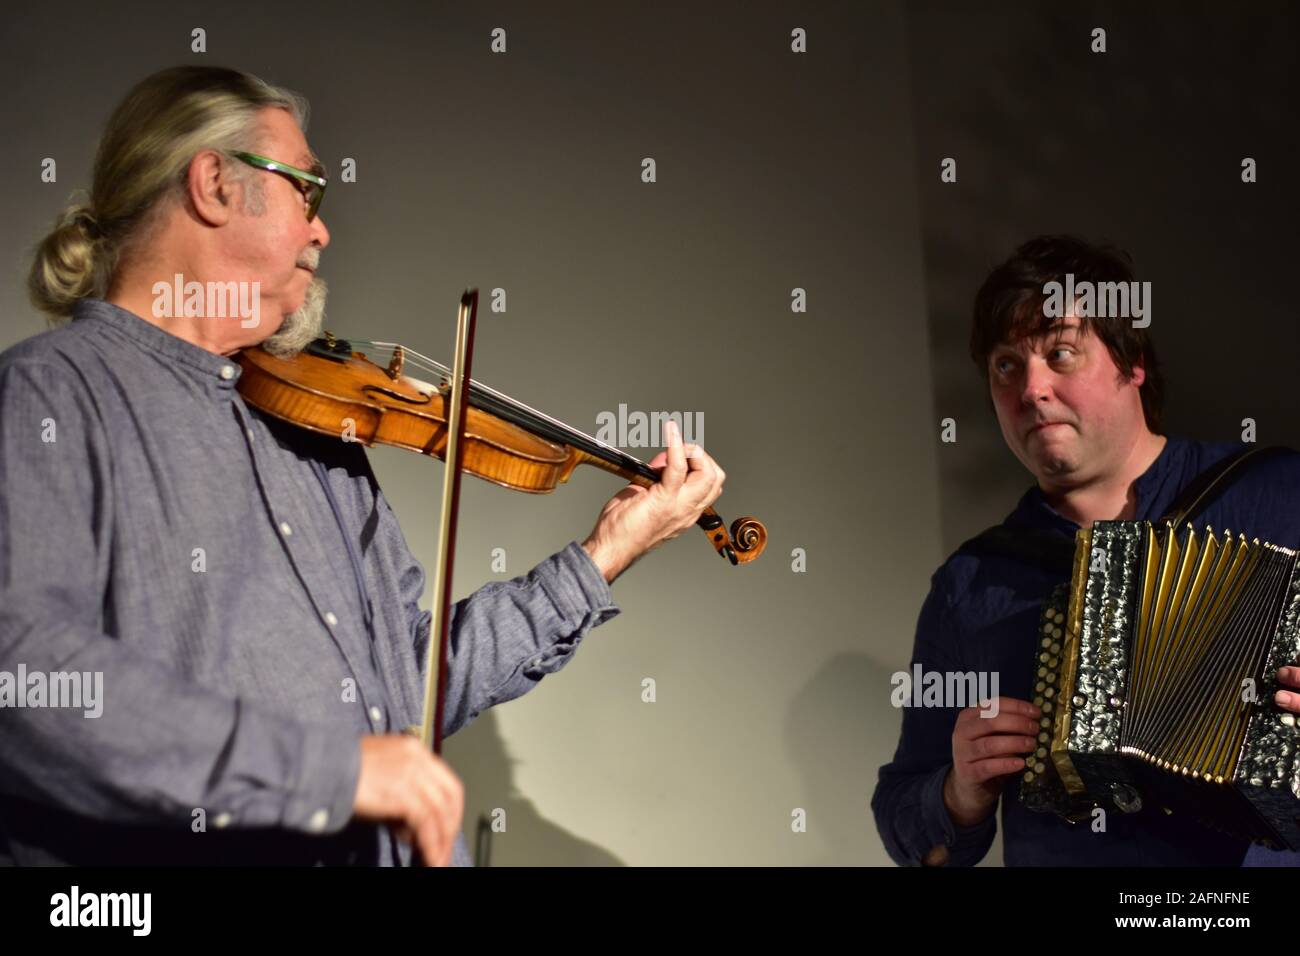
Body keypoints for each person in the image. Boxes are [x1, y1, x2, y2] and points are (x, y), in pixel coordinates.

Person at [0, 65, 726, 867]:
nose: (323, 230)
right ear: (213, 185)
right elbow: (26, 679)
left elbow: (406, 684)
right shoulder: (52, 394)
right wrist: (333, 772)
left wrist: (607, 553)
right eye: (306, 192)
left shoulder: (314, 426)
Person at [872, 235, 1300, 866]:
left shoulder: (1280, 494)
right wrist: (959, 789)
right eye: (1006, 366)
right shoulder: (975, 582)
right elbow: (912, 837)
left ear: (1132, 363)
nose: (1032, 389)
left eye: (1061, 353)